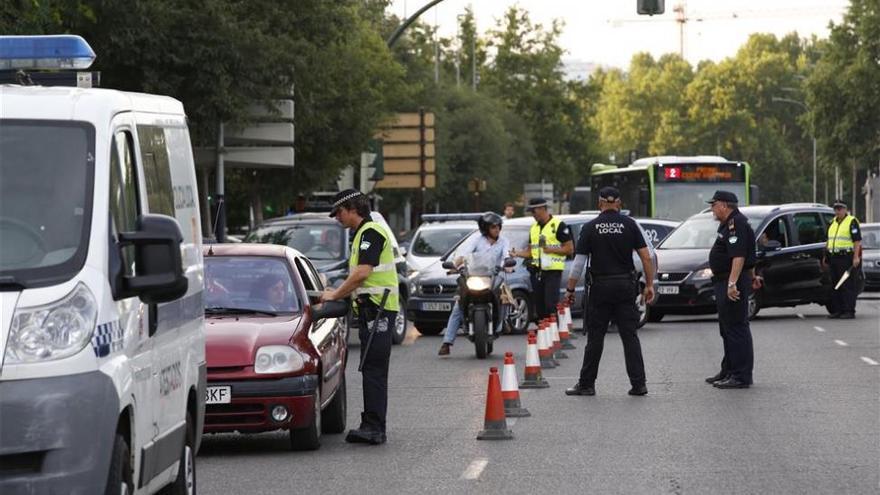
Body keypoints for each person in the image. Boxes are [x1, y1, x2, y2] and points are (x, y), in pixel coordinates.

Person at [320, 189, 399, 445]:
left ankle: (374, 428)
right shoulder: (362, 234)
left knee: (373, 369)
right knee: (372, 369)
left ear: (353, 209)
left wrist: (334, 295)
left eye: (340, 213)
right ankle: (373, 424)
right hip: (373, 311)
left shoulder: (370, 232)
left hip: (378, 311)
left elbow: (363, 273)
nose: (338, 218)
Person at [563, 187, 655, 397]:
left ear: (600, 203)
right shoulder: (630, 225)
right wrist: (649, 285)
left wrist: (570, 289)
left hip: (600, 288)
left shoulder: (590, 227)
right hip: (625, 286)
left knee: (595, 337)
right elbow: (646, 257)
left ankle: (586, 384)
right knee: (629, 336)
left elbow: (578, 263)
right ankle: (639, 384)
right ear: (619, 203)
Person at [704, 190, 759, 389]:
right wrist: (752, 276)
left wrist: (732, 283)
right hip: (726, 279)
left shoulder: (736, 224)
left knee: (736, 328)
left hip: (731, 281)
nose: (712, 208)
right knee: (727, 329)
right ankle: (729, 369)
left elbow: (739, 256)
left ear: (724, 205)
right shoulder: (728, 224)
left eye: (714, 204)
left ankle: (741, 375)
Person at [438, 212, 510, 356]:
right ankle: (447, 342)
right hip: (474, 277)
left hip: (493, 277)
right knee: (458, 305)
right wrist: (455, 264)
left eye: (498, 227)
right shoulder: (476, 240)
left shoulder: (503, 241)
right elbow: (464, 255)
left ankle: (503, 323)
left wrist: (507, 264)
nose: (497, 230)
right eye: (493, 227)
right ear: (485, 228)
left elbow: (506, 255)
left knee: (505, 299)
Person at [511, 198, 574, 321]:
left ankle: (554, 333)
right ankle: (544, 335)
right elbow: (530, 252)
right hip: (536, 272)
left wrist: (551, 250)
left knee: (550, 305)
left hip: (552, 272)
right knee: (540, 308)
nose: (532, 215)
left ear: (542, 209)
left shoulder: (558, 225)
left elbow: (569, 249)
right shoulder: (534, 228)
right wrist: (516, 253)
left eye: (534, 212)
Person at [824, 199, 861, 319]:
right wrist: (826, 255)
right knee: (835, 284)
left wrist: (856, 257)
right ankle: (838, 310)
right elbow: (829, 241)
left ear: (845, 209)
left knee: (847, 285)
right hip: (834, 257)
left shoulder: (851, 221)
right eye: (835, 208)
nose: (837, 211)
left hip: (846, 257)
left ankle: (849, 310)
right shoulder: (832, 223)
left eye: (840, 208)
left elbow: (857, 241)